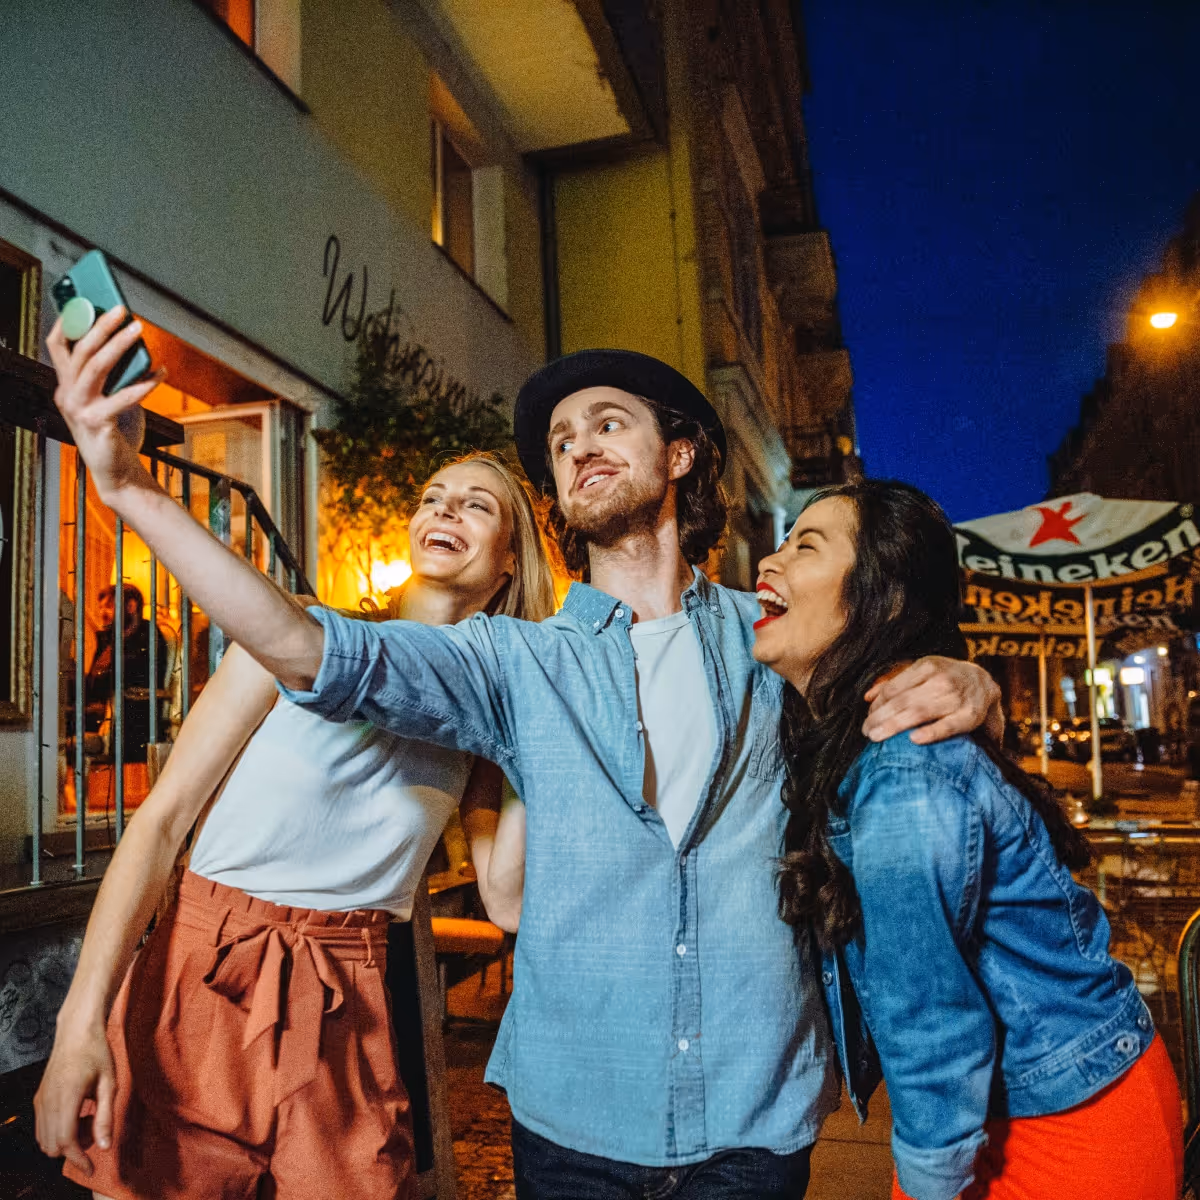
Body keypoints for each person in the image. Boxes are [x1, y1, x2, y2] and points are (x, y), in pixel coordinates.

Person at [48, 305, 1003, 1199]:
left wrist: (971, 685)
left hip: (755, 1114)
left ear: (678, 455)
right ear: (553, 496)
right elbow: (311, 648)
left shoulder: (772, 633)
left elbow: (890, 661)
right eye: (561, 441)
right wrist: (128, 490)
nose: (579, 442)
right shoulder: (516, 664)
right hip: (572, 1121)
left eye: (607, 423)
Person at [34, 450, 556, 1200]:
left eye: (478, 505)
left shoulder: (481, 720)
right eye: (433, 495)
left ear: (510, 562)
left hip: (348, 994)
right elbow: (161, 822)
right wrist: (79, 1025)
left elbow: (505, 899)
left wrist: (537, 735)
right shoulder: (295, 634)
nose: (444, 510)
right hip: (205, 968)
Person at [753, 479, 1183, 1200]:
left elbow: (929, 1017)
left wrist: (928, 1182)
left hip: (1069, 1121)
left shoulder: (901, 769)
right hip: (1001, 1104)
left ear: (879, 600)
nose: (770, 559)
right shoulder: (850, 739)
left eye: (806, 545)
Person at [83, 583, 170, 766]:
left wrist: (110, 650)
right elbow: (94, 687)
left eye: (110, 606)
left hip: (136, 724)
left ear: (130, 606)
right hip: (111, 715)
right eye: (101, 608)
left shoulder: (148, 634)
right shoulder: (112, 637)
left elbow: (125, 674)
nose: (103, 613)